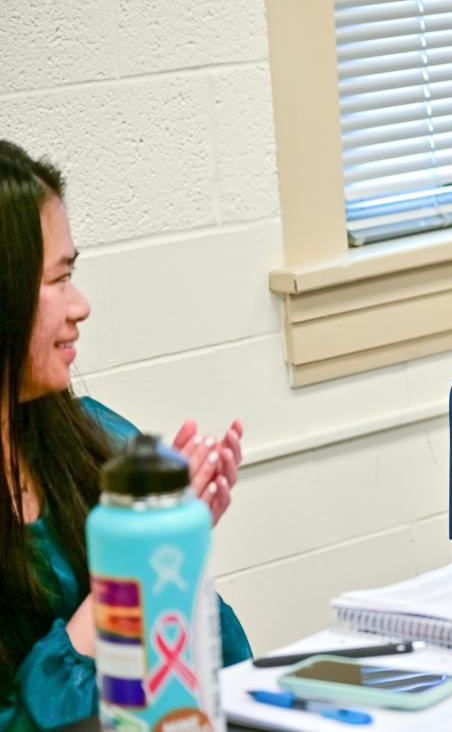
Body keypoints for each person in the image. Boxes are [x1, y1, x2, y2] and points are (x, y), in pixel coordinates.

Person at [0, 140, 252, 729]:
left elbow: (215, 673)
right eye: (58, 279)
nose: (81, 305)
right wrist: (131, 575)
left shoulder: (93, 436)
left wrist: (176, 551)